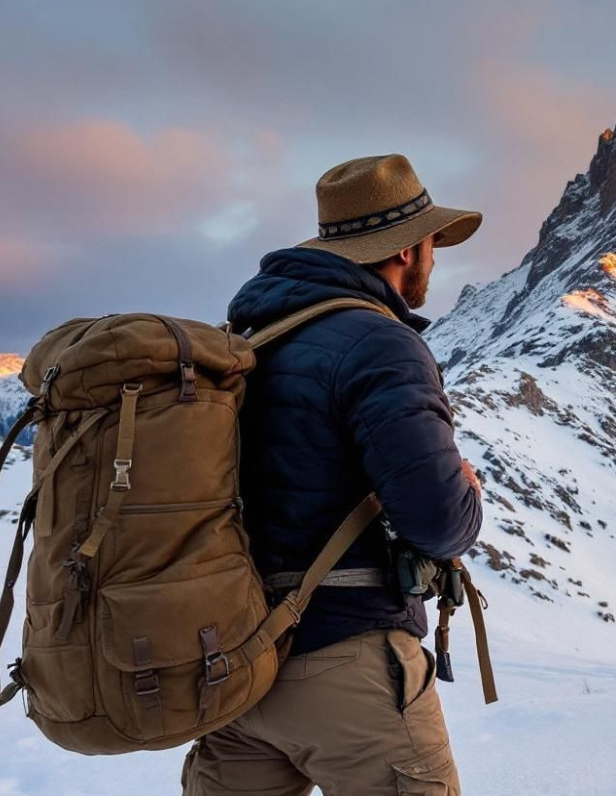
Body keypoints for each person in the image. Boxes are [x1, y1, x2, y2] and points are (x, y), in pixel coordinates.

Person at [182, 154, 484, 795]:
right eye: (432, 241)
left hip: (237, 669)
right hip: (349, 667)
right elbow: (438, 521)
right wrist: (468, 493)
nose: (434, 256)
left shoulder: (250, 337)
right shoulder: (381, 343)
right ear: (405, 250)